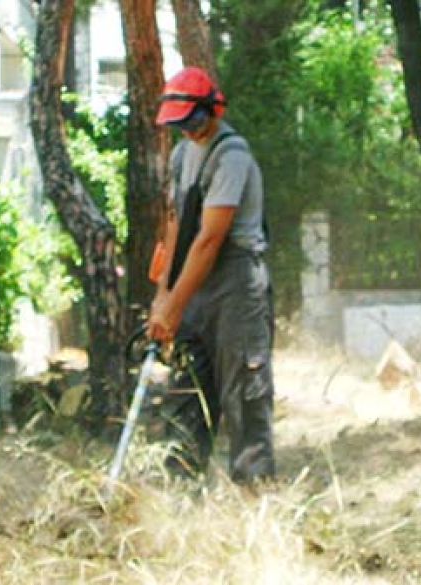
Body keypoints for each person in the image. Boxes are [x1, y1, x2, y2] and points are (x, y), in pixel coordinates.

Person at [147, 66, 276, 483]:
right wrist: (163, 296)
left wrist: (174, 304)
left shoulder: (232, 155)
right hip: (193, 281)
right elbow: (175, 223)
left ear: (211, 110)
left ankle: (254, 497)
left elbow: (209, 239)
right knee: (186, 393)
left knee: (244, 395)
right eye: (180, 124)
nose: (188, 130)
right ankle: (177, 492)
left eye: (194, 121)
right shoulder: (184, 155)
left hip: (237, 286)